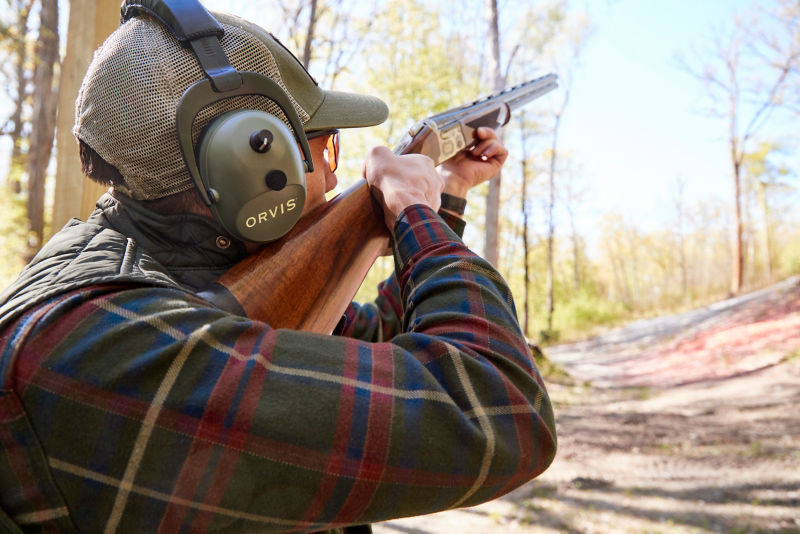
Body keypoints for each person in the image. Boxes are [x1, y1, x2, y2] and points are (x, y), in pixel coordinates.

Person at [0, 3, 556, 533]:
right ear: (252, 164)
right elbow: (498, 408)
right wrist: (411, 208)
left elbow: (384, 337)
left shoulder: (166, 281)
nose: (337, 181)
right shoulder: (100, 344)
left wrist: (446, 194)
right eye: (327, 150)